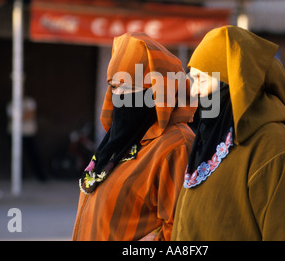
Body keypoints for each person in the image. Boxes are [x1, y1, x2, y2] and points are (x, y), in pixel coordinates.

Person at [172, 26, 285, 241]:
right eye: (193, 79)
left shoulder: (279, 148)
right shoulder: (209, 146)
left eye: (202, 79)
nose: (194, 90)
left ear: (233, 83)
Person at [72, 32, 196, 241]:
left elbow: (183, 229)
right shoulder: (119, 143)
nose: (119, 96)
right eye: (114, 86)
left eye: (129, 88)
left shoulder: (175, 145)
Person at [7, 95, 47, 182]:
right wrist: (23, 116)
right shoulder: (11, 103)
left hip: (28, 133)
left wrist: (19, 117)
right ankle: (18, 177)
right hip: (15, 134)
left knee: (33, 155)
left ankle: (41, 176)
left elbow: (31, 114)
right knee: (16, 156)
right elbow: (11, 117)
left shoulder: (29, 101)